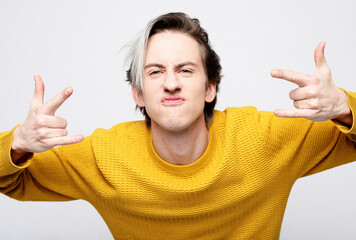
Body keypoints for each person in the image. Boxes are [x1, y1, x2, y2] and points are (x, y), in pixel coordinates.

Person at [0, 12, 355, 239]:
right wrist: (17, 142)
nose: (171, 83)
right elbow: (8, 178)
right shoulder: (104, 156)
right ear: (138, 93)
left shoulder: (264, 139)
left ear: (210, 87)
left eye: (186, 70)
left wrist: (344, 108)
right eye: (155, 72)